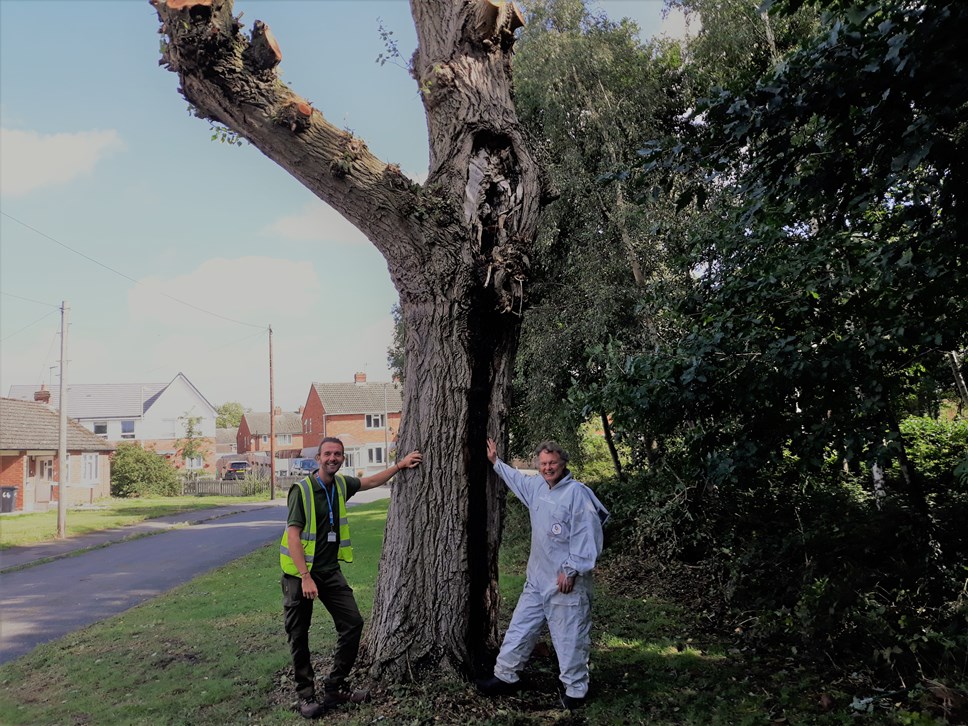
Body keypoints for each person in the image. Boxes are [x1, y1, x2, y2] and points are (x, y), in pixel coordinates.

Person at [281, 436, 422, 719]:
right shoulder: (303, 491)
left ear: (342, 459)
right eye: (328, 454)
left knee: (353, 623)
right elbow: (294, 536)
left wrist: (400, 465)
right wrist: (306, 577)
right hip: (299, 575)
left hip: (329, 571)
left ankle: (335, 687)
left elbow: (370, 482)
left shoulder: (342, 485)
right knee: (299, 634)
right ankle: (305, 695)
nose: (333, 458)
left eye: (338, 454)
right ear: (318, 458)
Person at [477, 438, 609, 711]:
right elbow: (517, 480)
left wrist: (571, 570)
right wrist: (496, 463)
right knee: (520, 627)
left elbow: (588, 538)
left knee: (569, 636)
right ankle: (505, 675)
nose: (548, 468)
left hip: (565, 583)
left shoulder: (577, 494)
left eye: (553, 463)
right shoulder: (537, 487)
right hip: (537, 577)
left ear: (563, 464)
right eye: (544, 463)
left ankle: (576, 689)